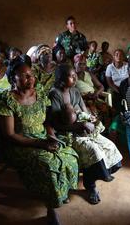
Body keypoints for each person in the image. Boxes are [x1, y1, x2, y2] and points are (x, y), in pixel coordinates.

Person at [0, 57, 79, 225]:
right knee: (48, 164)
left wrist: (51, 136)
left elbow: (47, 122)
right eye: (25, 76)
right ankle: (51, 207)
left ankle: (60, 193)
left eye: (32, 74)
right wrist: (40, 144)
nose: (31, 78)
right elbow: (10, 134)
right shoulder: (7, 100)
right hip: (19, 144)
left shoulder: (40, 93)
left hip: (41, 137)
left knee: (69, 155)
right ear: (13, 79)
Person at [49, 64, 122, 205]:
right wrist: (80, 125)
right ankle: (91, 186)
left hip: (84, 129)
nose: (75, 77)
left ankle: (92, 177)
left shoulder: (75, 91)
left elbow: (85, 111)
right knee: (93, 151)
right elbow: (56, 124)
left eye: (74, 75)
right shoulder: (55, 94)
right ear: (61, 79)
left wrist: (90, 119)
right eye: (71, 76)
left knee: (109, 146)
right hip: (67, 134)